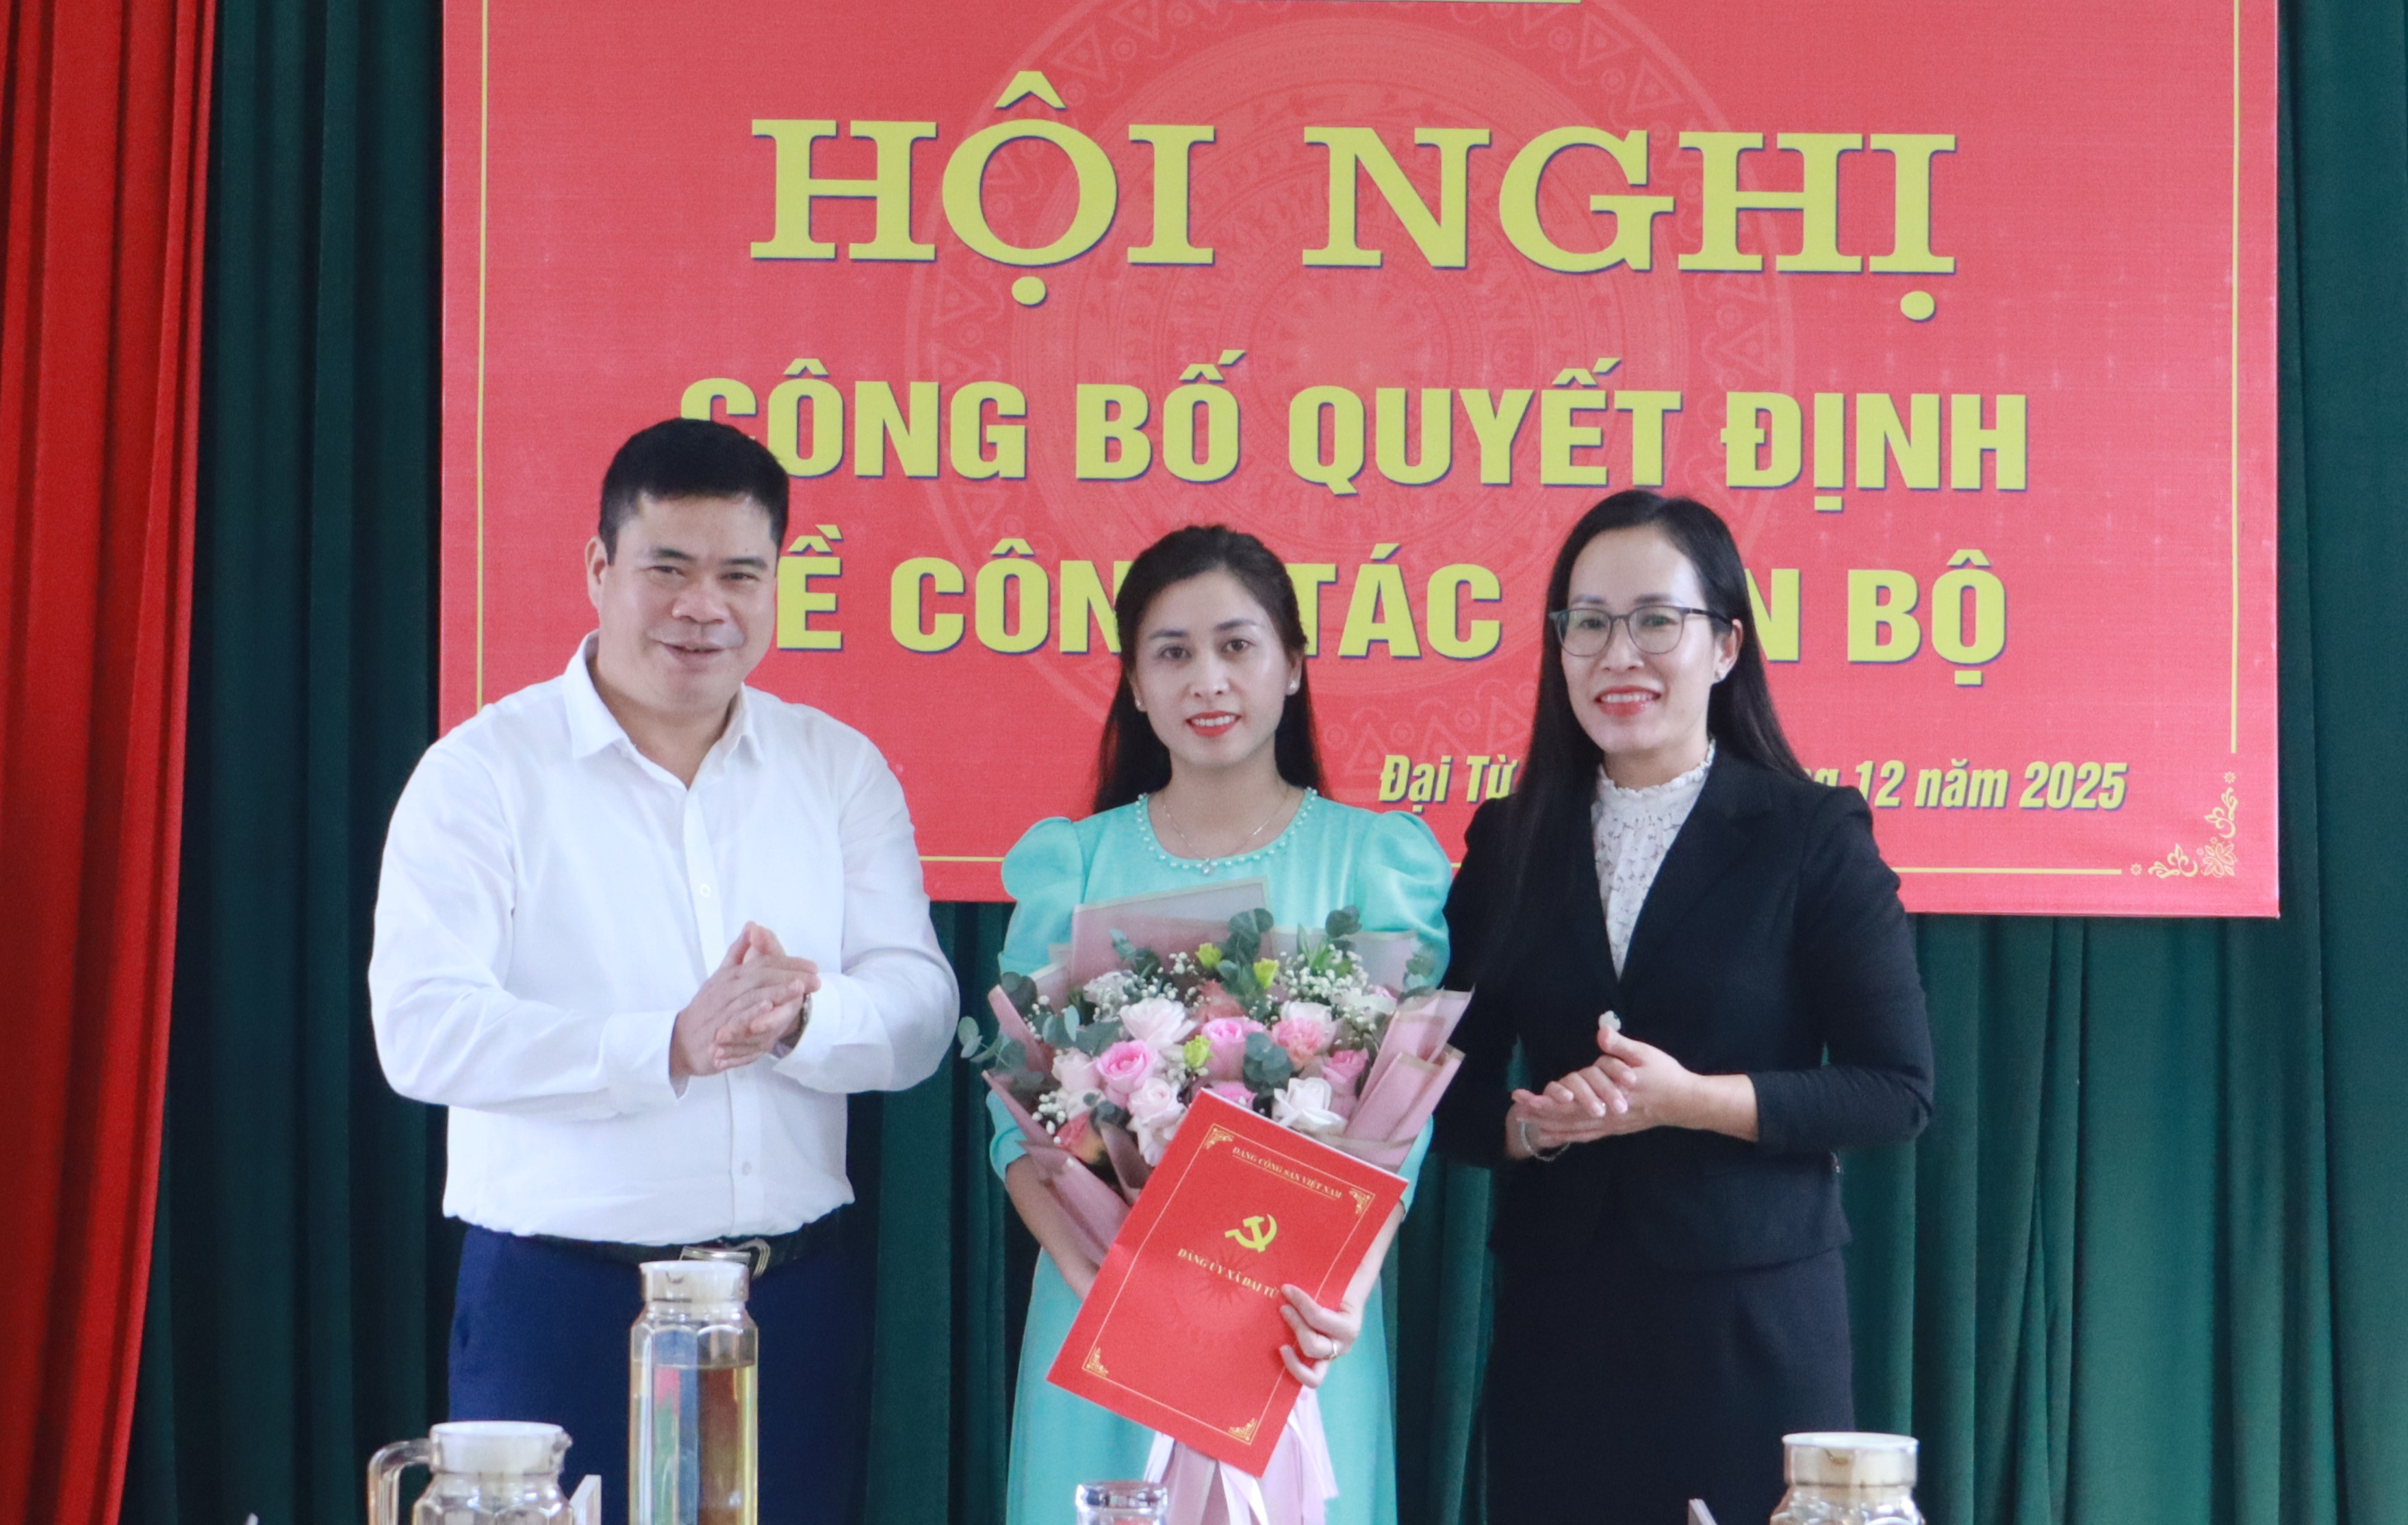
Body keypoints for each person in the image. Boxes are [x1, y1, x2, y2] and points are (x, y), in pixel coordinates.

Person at [369, 418, 959, 1525]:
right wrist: (666, 1045)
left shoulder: (837, 768)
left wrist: (804, 1018)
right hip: (558, 1299)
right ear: (599, 568)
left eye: (740, 574)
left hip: (788, 1303)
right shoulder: (482, 773)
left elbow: (922, 1011)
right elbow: (421, 1029)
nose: (704, 607)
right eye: (668, 569)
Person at [1433, 490, 1934, 1525]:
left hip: (1751, 1322)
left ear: (1725, 646)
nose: (1620, 654)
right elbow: (1443, 1086)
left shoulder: (1809, 834)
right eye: (1589, 623)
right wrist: (1534, 1126)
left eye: (1657, 620)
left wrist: (1687, 1100)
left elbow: (1895, 1089)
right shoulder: (1511, 839)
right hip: (1562, 1328)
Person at [990, 525, 1451, 1525]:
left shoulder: (1373, 859)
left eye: (1238, 645)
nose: (1208, 680)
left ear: (1294, 665)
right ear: (1134, 682)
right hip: (1104, 1310)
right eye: (1173, 652)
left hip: (1304, 1327)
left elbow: (1400, 1126)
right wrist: (1090, 1271)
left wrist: (1347, 1291)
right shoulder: (1074, 864)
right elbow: (1016, 1125)